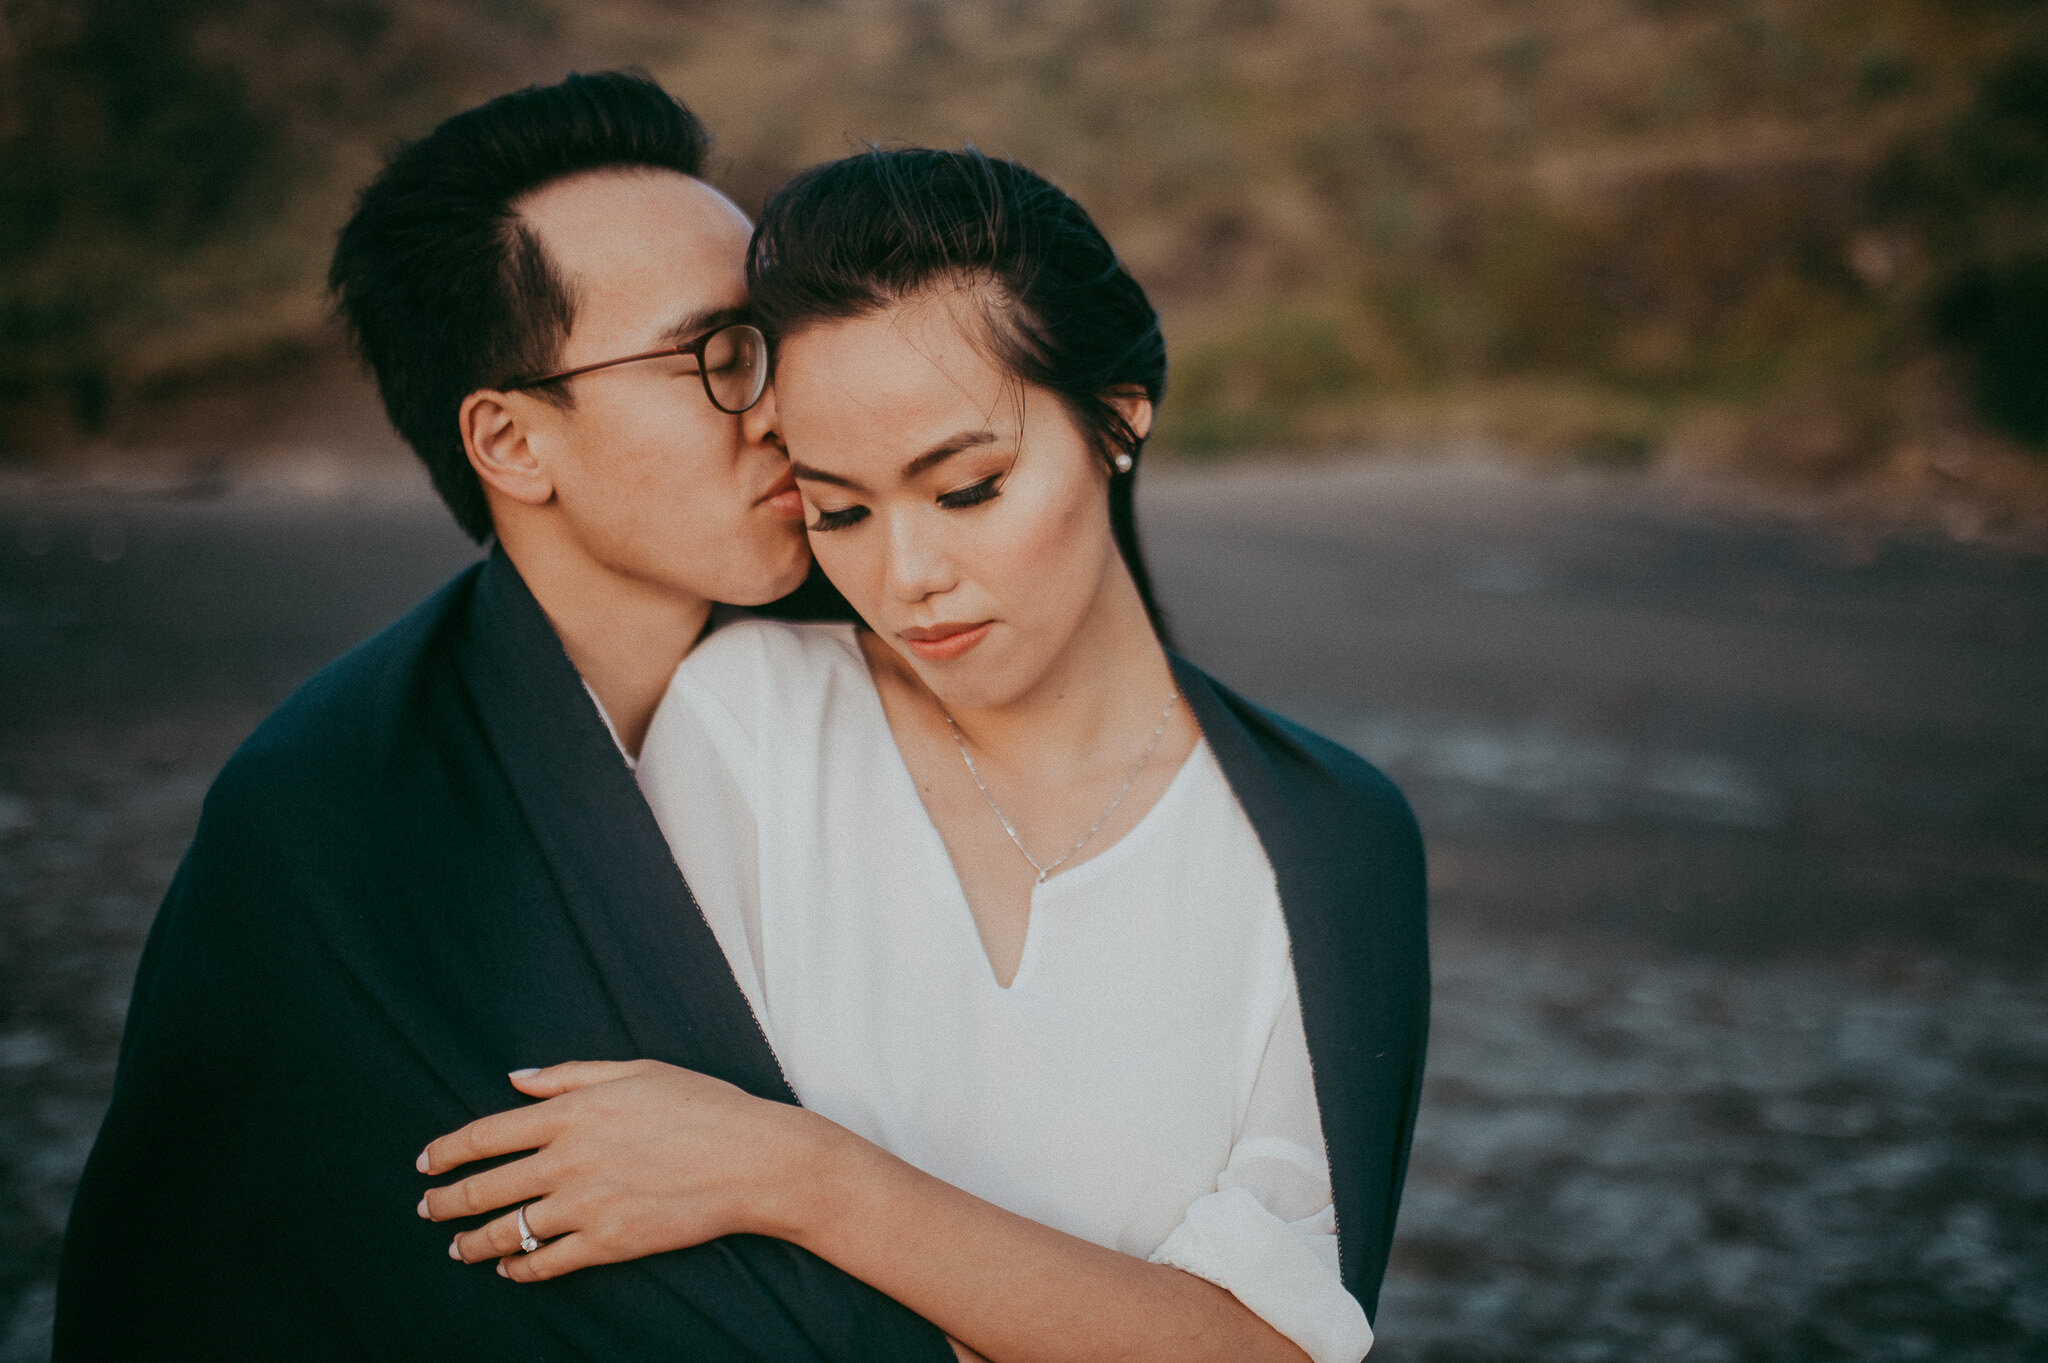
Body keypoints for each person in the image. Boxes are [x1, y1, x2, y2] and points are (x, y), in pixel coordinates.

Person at [413, 149, 1429, 1363]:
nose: (908, 577)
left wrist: (808, 1177)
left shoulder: (1316, 841)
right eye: (837, 509)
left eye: (966, 487)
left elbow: (1270, 1347)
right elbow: (659, 1248)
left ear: (1115, 418)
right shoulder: (745, 725)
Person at [54, 75, 953, 1360]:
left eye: (774, 338)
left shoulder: (905, 647)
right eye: (712, 355)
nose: (778, 405)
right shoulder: (332, 807)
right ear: (512, 443)